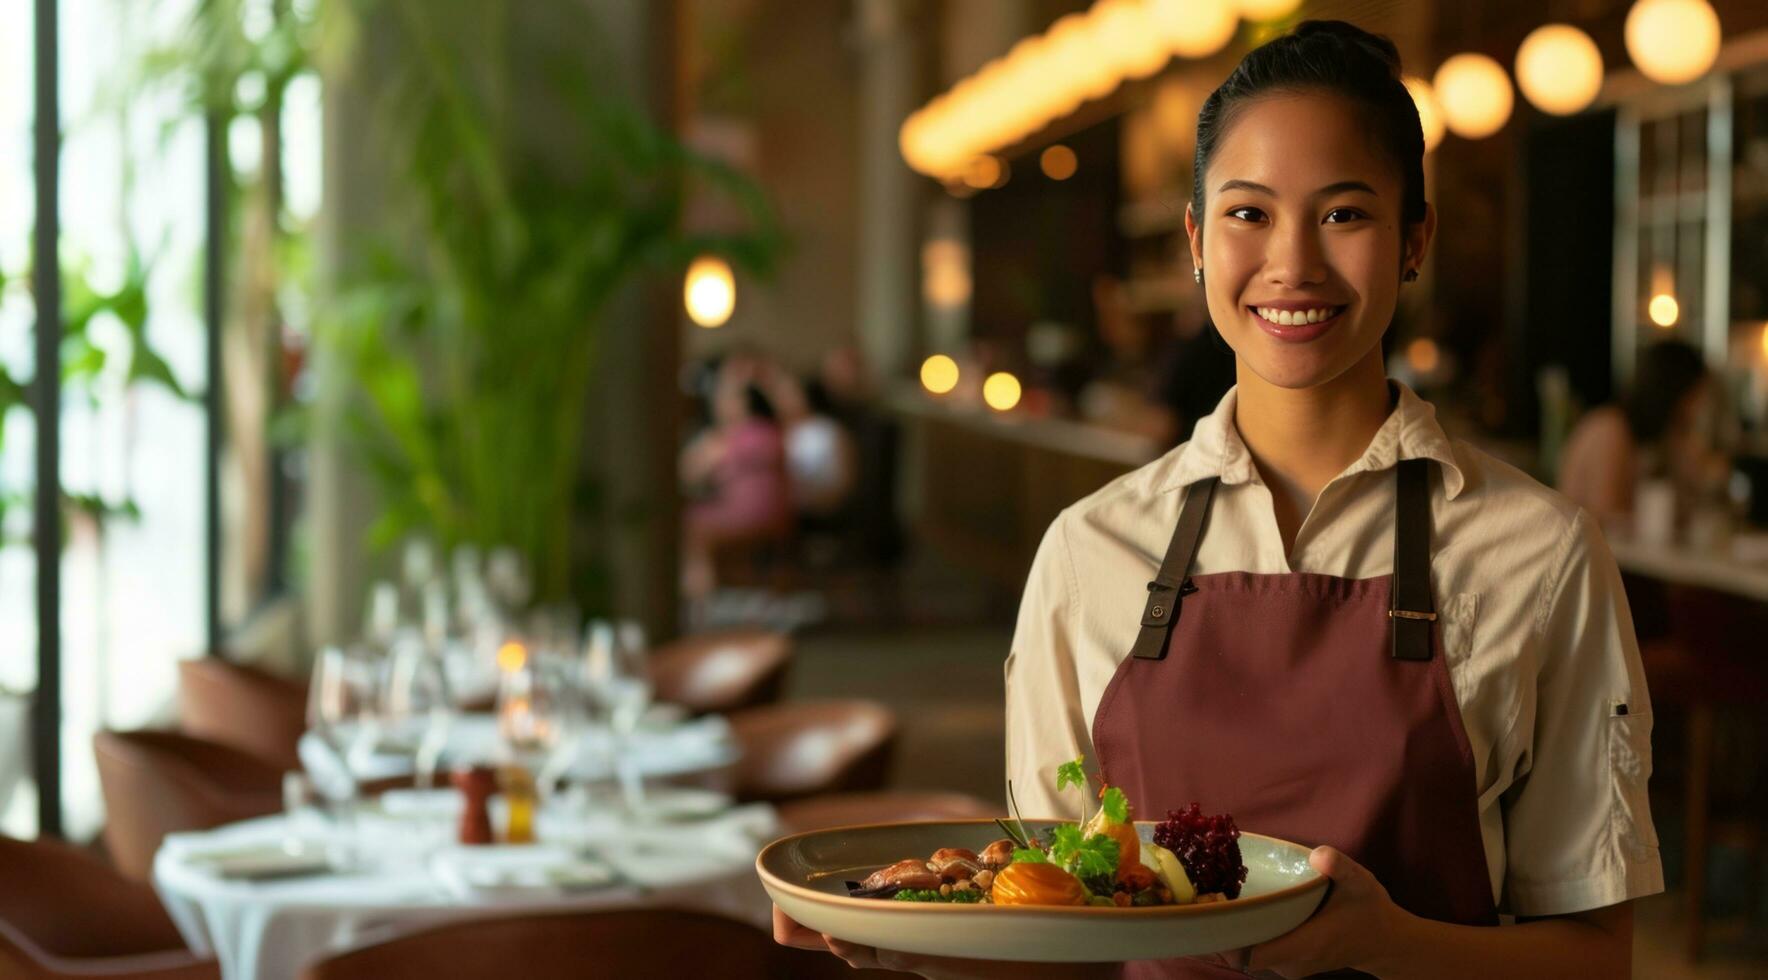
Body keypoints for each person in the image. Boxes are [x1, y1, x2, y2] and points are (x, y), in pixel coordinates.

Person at [776, 20, 1658, 978]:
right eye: (1248, 214)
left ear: (1415, 241)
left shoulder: (1541, 551)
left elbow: (1595, 956)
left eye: (1344, 214)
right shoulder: (1090, 551)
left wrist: (1386, 944)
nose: (1294, 265)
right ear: (1196, 240)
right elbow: (1052, 935)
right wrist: (912, 948)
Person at [1558, 338, 1729, 530]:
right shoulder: (1610, 429)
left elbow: (1692, 489)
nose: (1698, 407)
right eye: (1695, 396)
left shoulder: (1649, 435)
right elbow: (1604, 514)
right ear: (1675, 392)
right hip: (1585, 552)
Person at [679, 353, 793, 600]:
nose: (719, 404)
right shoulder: (773, 432)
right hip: (781, 517)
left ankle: (700, 598)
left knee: (689, 526)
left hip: (743, 518)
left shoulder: (728, 439)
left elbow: (688, 472)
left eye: (725, 398)